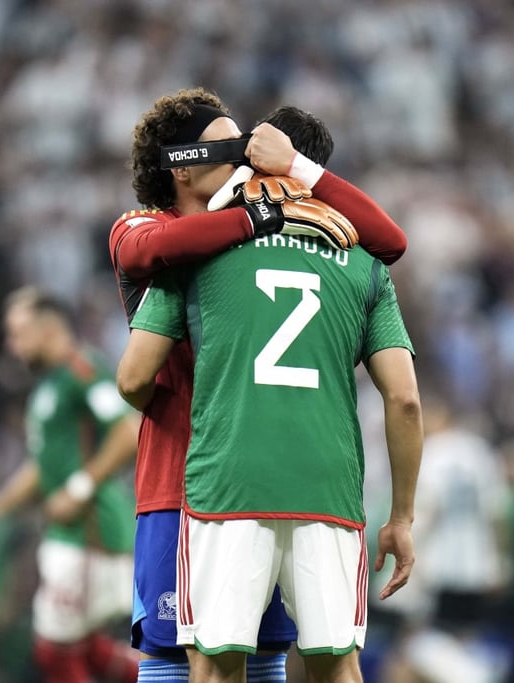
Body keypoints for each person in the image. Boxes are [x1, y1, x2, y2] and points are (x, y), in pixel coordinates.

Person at [109, 89, 410, 683]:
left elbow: (390, 240)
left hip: (229, 481)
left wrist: (295, 181)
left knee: (251, 655)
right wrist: (258, 216)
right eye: (233, 141)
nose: (249, 153)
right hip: (180, 480)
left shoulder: (239, 243)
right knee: (179, 657)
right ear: (184, 162)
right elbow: (153, 253)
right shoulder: (154, 229)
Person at [0, 286, 140, 683]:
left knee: (53, 649)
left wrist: (78, 489)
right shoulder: (48, 386)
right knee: (83, 647)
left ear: (49, 328)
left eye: (18, 331)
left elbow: (127, 432)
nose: (11, 343)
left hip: (90, 533)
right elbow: (42, 469)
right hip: (69, 533)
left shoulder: (82, 371)